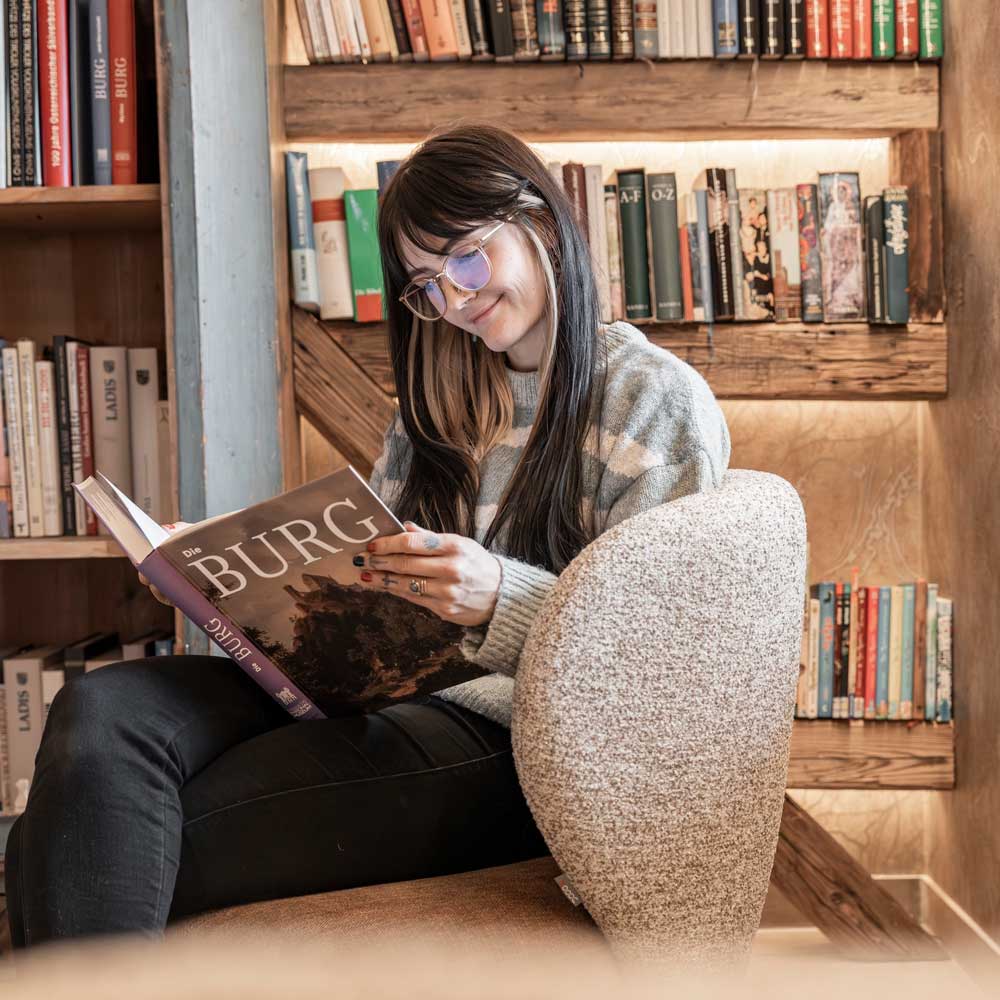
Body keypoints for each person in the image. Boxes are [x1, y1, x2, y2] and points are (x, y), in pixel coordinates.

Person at [4, 124, 730, 949]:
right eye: (426, 287)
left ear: (537, 217)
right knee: (102, 705)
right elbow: (368, 566)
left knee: (62, 844)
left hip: (517, 744)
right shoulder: (437, 403)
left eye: (464, 259)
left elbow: (670, 666)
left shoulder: (652, 402)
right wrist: (214, 573)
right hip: (375, 696)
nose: (454, 302)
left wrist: (505, 598)